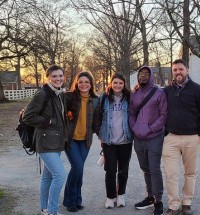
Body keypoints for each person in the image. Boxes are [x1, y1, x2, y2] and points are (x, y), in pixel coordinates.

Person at [163, 59, 200, 215]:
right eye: (175, 70)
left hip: (192, 138)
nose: (178, 72)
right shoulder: (167, 91)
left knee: (190, 173)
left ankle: (186, 202)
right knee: (171, 173)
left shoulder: (196, 89)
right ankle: (173, 205)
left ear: (187, 70)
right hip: (171, 139)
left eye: (181, 69)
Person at [22, 65, 67, 215]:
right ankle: (53, 212)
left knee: (47, 176)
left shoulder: (58, 93)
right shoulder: (42, 94)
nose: (58, 79)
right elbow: (27, 117)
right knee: (60, 176)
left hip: (56, 142)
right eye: (54, 76)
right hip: (45, 143)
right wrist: (47, 121)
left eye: (60, 76)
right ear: (48, 77)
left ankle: (44, 208)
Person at [129, 66, 167, 215]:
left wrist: (151, 129)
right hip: (138, 138)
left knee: (154, 168)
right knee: (145, 168)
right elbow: (131, 113)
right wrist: (135, 128)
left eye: (146, 74)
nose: (143, 76)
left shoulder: (159, 93)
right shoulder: (134, 94)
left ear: (151, 76)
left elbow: (164, 115)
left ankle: (159, 200)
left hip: (154, 137)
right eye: (140, 74)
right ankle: (150, 196)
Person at [93, 73, 133, 209]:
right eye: (115, 83)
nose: (118, 85)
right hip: (109, 142)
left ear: (124, 85)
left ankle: (120, 195)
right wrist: (100, 134)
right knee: (110, 171)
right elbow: (97, 118)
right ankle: (110, 197)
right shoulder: (103, 98)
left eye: (120, 83)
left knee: (123, 170)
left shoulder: (129, 98)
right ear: (111, 84)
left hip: (125, 141)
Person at [63, 71, 99, 212]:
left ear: (91, 84)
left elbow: (97, 121)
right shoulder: (69, 97)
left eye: (87, 82)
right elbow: (54, 107)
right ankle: (69, 201)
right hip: (70, 139)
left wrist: (101, 136)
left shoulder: (95, 100)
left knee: (79, 170)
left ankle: (77, 200)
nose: (83, 84)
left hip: (85, 141)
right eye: (81, 82)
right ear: (76, 84)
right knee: (77, 167)